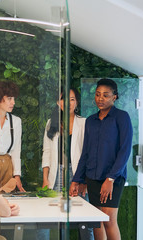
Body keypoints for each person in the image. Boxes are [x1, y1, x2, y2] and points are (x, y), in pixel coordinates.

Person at [69, 78, 133, 240]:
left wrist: (110, 179)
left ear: (114, 97)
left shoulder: (122, 117)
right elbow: (85, 153)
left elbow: (125, 151)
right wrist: (77, 180)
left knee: (109, 219)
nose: (100, 98)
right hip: (92, 177)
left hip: (113, 178)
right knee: (96, 221)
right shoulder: (91, 120)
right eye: (98, 95)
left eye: (105, 95)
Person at [41, 88, 93, 240]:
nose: (68, 103)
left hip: (77, 174)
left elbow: (88, 154)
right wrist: (45, 178)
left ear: (76, 102)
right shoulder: (51, 123)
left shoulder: (84, 123)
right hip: (56, 174)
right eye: (64, 99)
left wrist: (84, 180)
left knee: (84, 217)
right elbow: (47, 152)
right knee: (58, 216)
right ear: (58, 102)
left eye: (72, 99)